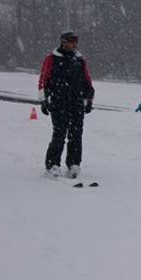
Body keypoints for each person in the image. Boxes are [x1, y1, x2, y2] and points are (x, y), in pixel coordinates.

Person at [38, 31, 94, 178]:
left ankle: (74, 164)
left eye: (76, 42)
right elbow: (43, 80)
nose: (75, 44)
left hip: (76, 103)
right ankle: (52, 165)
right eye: (72, 41)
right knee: (59, 134)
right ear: (64, 42)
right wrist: (43, 100)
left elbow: (87, 81)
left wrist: (89, 100)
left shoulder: (79, 60)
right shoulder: (52, 58)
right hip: (58, 102)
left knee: (76, 135)